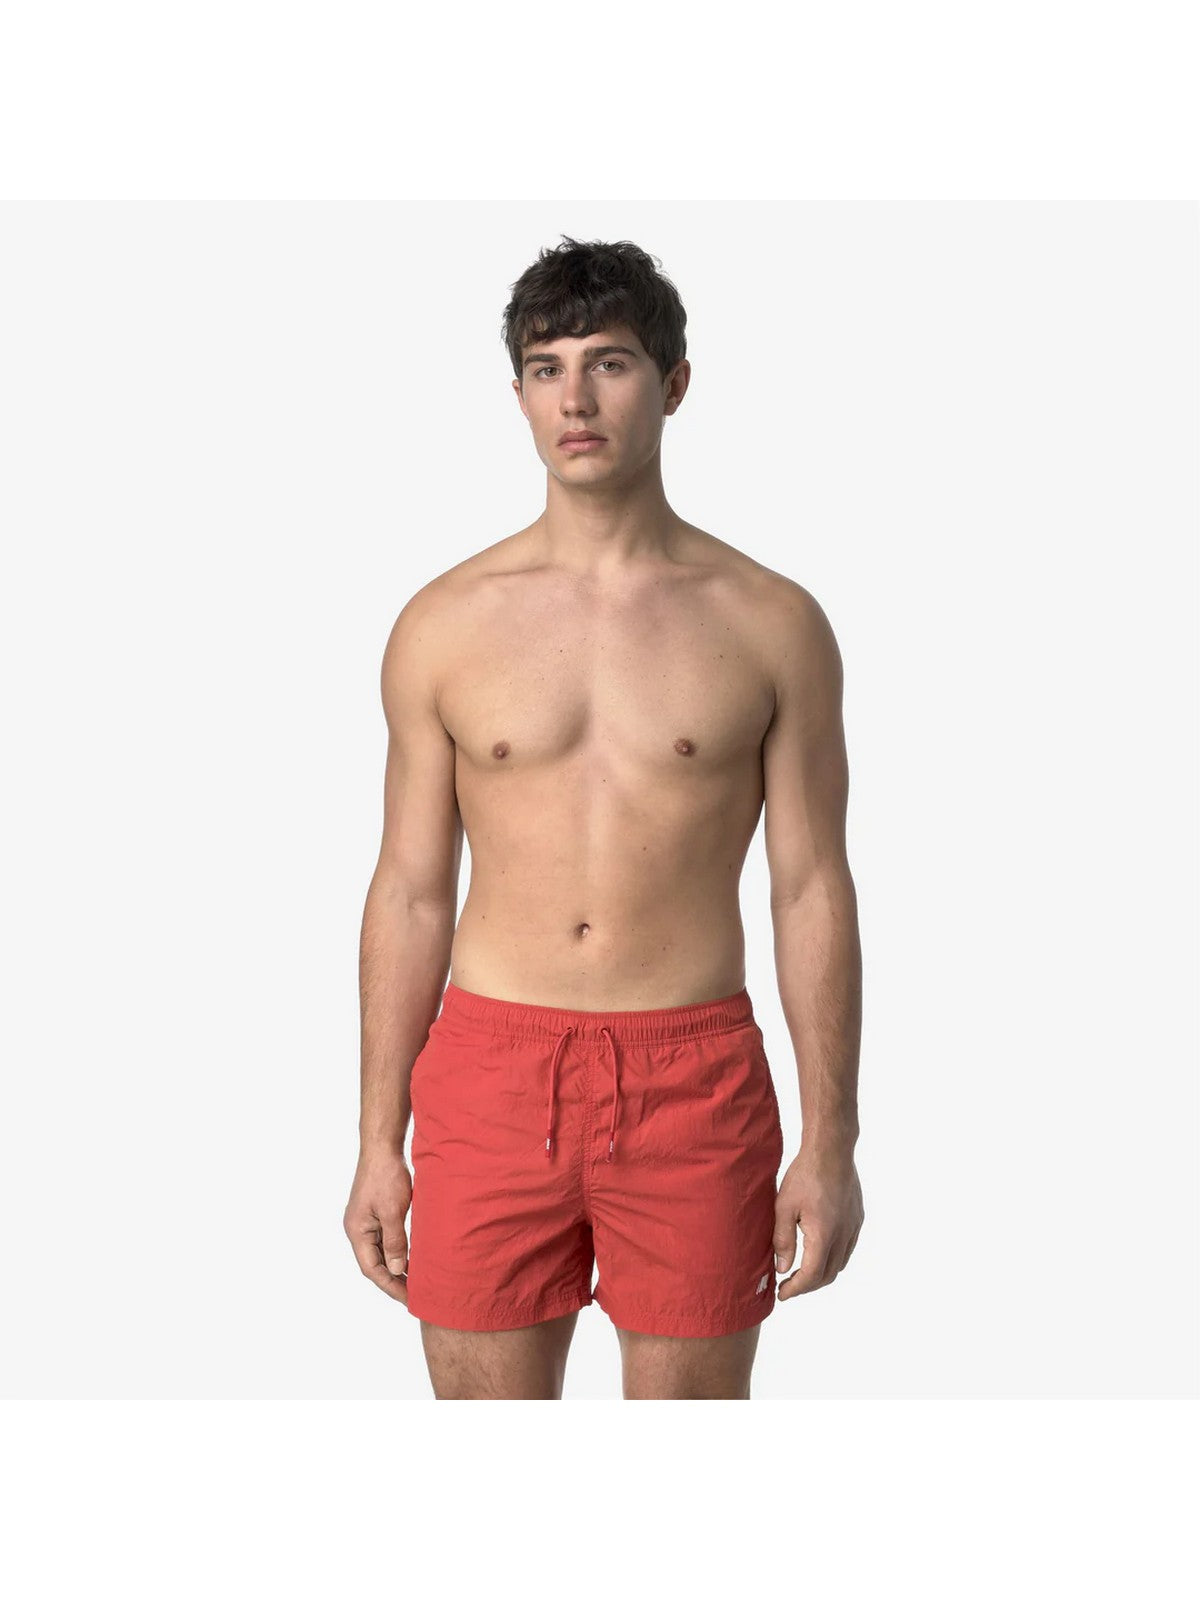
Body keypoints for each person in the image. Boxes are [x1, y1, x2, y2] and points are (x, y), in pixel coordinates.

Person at [343, 235, 864, 1400]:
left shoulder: (772, 622)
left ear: (673, 384)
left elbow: (810, 887)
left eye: (609, 363)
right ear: (521, 394)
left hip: (693, 1076)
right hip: (490, 1072)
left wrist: (831, 1141)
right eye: (547, 368)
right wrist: (377, 1138)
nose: (574, 399)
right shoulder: (443, 623)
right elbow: (411, 890)